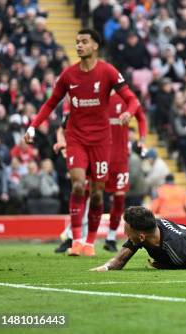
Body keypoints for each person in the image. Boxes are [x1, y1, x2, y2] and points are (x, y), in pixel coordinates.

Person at [24, 29, 140, 257]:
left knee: (97, 194)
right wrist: (33, 126)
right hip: (76, 138)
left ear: (95, 46)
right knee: (78, 184)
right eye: (77, 42)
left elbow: (132, 99)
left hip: (101, 141)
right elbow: (50, 103)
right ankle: (76, 239)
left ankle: (89, 242)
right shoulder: (68, 75)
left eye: (84, 42)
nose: (79, 46)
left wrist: (130, 112)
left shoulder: (107, 71)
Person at [54, 88, 147, 253]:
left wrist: (143, 140)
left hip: (119, 159)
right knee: (86, 194)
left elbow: (141, 117)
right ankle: (73, 238)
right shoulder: (93, 98)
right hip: (97, 155)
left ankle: (110, 238)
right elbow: (67, 125)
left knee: (118, 199)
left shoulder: (125, 99)